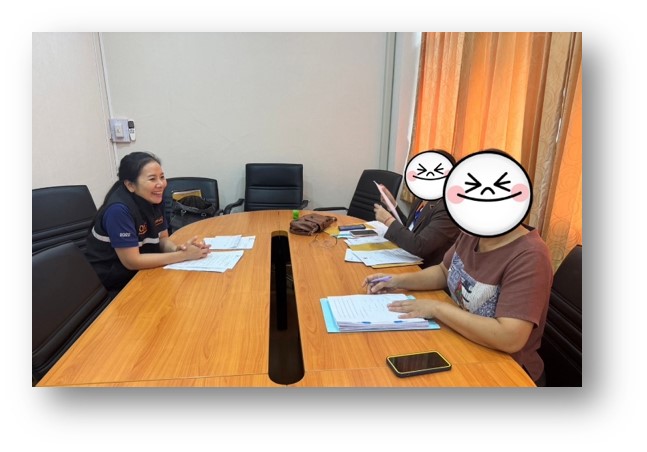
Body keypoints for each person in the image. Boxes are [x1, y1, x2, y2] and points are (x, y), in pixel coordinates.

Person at [364, 149, 553, 386]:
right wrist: (396, 281)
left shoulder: (530, 255)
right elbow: (444, 272)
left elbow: (510, 337)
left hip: (504, 370)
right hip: (460, 342)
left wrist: (436, 308)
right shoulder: (473, 232)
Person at [85, 151, 210, 296]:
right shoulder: (118, 210)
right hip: (114, 285)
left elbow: (162, 239)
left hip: (142, 273)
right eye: (152, 179)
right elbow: (132, 261)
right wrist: (183, 256)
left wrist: (178, 249)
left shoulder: (154, 198)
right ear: (130, 185)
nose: (161, 184)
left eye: (162, 177)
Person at [373, 149, 459, 268]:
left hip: (425, 268)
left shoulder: (448, 209)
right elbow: (410, 229)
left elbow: (420, 246)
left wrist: (388, 221)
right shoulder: (422, 198)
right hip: (407, 258)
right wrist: (392, 205)